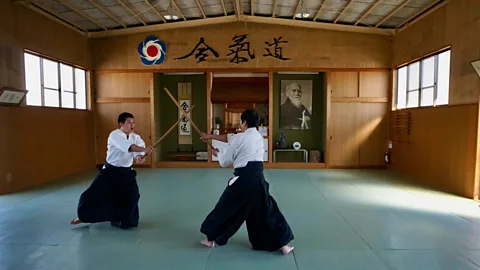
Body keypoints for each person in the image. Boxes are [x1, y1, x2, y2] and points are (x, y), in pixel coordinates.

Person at [199, 108, 295, 255]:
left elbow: (225, 161)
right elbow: (229, 138)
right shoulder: (258, 136)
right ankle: (283, 245)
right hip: (259, 179)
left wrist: (218, 154)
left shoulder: (240, 138)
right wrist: (209, 136)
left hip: (243, 180)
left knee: (225, 208)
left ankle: (212, 239)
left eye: (241, 123)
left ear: (244, 122)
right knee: (267, 211)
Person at [69, 112, 153, 229]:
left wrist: (140, 157)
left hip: (126, 173)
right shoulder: (115, 135)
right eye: (129, 122)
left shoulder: (136, 138)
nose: (132, 125)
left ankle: (122, 220)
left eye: (133, 122)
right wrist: (144, 149)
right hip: (110, 172)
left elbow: (137, 155)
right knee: (91, 195)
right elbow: (129, 147)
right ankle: (84, 217)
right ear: (121, 124)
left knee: (133, 196)